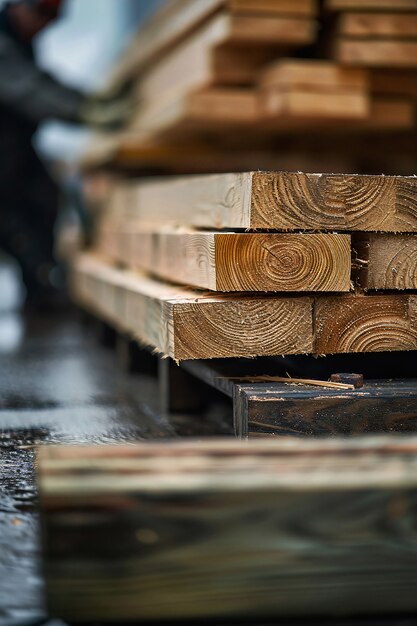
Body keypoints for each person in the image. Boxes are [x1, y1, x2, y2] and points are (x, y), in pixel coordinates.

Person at [0, 0, 132, 305]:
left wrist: (90, 102)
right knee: (15, 220)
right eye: (44, 14)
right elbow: (30, 91)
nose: (48, 24)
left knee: (45, 199)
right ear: (20, 6)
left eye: (56, 17)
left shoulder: (18, 41)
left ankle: (39, 287)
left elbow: (44, 82)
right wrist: (86, 112)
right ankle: (41, 285)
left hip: (15, 151)